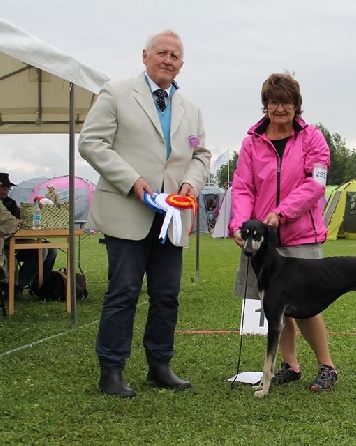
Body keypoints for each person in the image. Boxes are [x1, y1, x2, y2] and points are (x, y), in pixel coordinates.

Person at [78, 29, 211, 398]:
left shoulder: (192, 109)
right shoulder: (116, 92)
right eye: (162, 53)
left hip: (172, 216)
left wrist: (190, 185)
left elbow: (200, 156)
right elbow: (91, 142)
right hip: (127, 209)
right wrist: (132, 180)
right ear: (145, 56)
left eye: (175, 56)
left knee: (167, 295)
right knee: (123, 292)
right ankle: (111, 370)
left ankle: (160, 365)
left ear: (181, 64)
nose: (168, 60)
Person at [229, 72, 337, 392]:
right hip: (264, 242)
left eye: (286, 102)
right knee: (277, 307)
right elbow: (243, 187)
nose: (280, 109)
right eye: (274, 102)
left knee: (306, 305)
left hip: (302, 233)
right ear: (266, 105)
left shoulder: (312, 138)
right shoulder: (251, 142)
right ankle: (290, 365)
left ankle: (327, 366)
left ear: (296, 105)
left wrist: (281, 212)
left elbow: (316, 183)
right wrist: (239, 225)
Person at [0, 172, 57, 296]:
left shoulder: (11, 203)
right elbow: (10, 224)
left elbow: (20, 221)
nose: (6, 189)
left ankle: (38, 286)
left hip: (17, 240)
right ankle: (15, 287)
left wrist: (34, 211)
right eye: (2, 186)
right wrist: (16, 223)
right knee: (42, 251)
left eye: (7, 187)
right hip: (4, 243)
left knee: (51, 249)